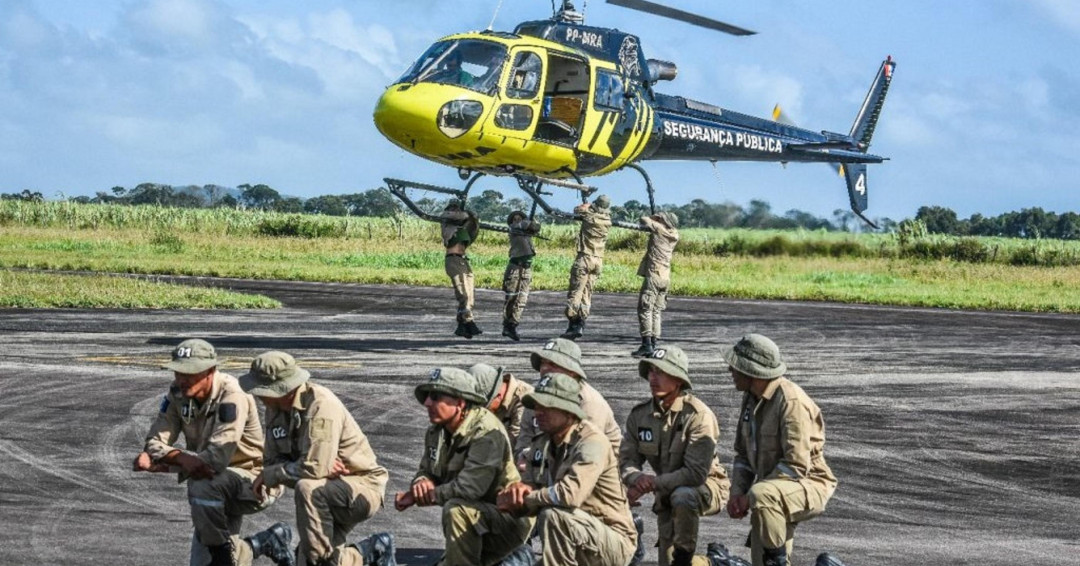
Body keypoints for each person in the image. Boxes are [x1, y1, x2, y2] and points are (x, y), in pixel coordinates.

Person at [133, 338, 292, 566]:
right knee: (201, 561)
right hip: (212, 483)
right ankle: (263, 543)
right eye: (177, 372)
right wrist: (173, 457)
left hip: (253, 481)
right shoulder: (177, 394)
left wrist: (171, 460)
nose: (181, 380)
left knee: (204, 487)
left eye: (189, 373)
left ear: (210, 371)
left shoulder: (232, 394)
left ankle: (221, 558)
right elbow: (154, 442)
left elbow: (215, 459)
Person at [240, 351, 396, 566]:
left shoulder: (321, 405)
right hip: (325, 490)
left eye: (261, 389)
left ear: (282, 389)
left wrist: (278, 473)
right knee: (310, 558)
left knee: (307, 488)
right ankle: (373, 551)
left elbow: (309, 470)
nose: (257, 395)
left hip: (359, 486)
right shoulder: (274, 409)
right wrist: (310, 467)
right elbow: (273, 461)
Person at [394, 367, 533, 566]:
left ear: (460, 402)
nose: (427, 403)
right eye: (427, 397)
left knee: (455, 509)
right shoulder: (437, 432)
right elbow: (427, 468)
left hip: (506, 519)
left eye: (435, 397)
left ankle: (517, 556)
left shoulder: (486, 433)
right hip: (475, 518)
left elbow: (469, 489)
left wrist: (422, 496)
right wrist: (421, 481)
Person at [496, 373, 638, 566]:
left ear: (569, 411)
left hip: (611, 538)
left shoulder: (591, 442)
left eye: (546, 406)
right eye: (537, 406)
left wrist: (528, 497)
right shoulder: (541, 443)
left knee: (552, 515)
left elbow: (570, 495)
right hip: (570, 536)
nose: (538, 413)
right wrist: (513, 499)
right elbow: (529, 489)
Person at [722, 335, 837, 566]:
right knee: (759, 560)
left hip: (807, 484)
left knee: (762, 496)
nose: (730, 370)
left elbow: (796, 466)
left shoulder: (790, 400)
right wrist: (737, 493)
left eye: (735, 365)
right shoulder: (751, 398)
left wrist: (749, 497)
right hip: (770, 492)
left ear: (751, 370)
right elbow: (743, 456)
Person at [620, 345, 730, 566]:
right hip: (667, 492)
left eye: (660, 372)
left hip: (707, 486)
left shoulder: (697, 415)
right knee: (666, 562)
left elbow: (696, 474)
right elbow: (626, 460)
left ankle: (689, 557)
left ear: (678, 380)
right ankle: (715, 563)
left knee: (683, 495)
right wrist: (635, 479)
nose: (653, 377)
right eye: (651, 371)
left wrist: (652, 483)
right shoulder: (640, 416)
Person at [513, 338, 621, 470]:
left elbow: (586, 453)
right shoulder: (538, 396)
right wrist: (525, 458)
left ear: (572, 372)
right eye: (543, 363)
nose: (545, 369)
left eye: (553, 364)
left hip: (592, 475)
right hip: (547, 469)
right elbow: (523, 442)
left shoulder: (589, 403)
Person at [562, 194, 612, 340]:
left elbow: (577, 210)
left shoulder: (589, 217)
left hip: (585, 257)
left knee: (576, 292)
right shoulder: (607, 220)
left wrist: (587, 206)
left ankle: (572, 321)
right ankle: (581, 323)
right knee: (587, 294)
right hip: (598, 260)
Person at [632, 211, 680, 357]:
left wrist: (654, 218)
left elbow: (643, 219)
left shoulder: (658, 229)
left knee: (645, 309)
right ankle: (653, 342)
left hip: (653, 275)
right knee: (657, 311)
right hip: (665, 277)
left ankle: (646, 344)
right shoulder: (675, 235)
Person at [440, 199, 482, 339]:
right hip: (453, 259)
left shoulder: (462, 230)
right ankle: (468, 322)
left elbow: (473, 230)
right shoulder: (447, 223)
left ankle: (463, 324)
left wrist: (474, 219)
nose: (456, 211)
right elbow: (456, 216)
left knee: (469, 296)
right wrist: (466, 214)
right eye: (453, 208)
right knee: (462, 293)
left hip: (463, 261)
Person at [468, 362, 534, 448]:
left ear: (498, 396)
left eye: (487, 407)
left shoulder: (524, 399)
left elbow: (516, 441)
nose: (484, 411)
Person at [501, 210, 542, 341]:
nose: (518, 220)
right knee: (511, 297)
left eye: (520, 218)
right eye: (515, 219)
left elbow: (536, 227)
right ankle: (507, 324)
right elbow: (524, 225)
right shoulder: (514, 229)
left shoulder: (527, 231)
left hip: (526, 269)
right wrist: (527, 222)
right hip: (515, 267)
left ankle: (513, 324)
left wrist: (533, 221)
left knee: (522, 298)